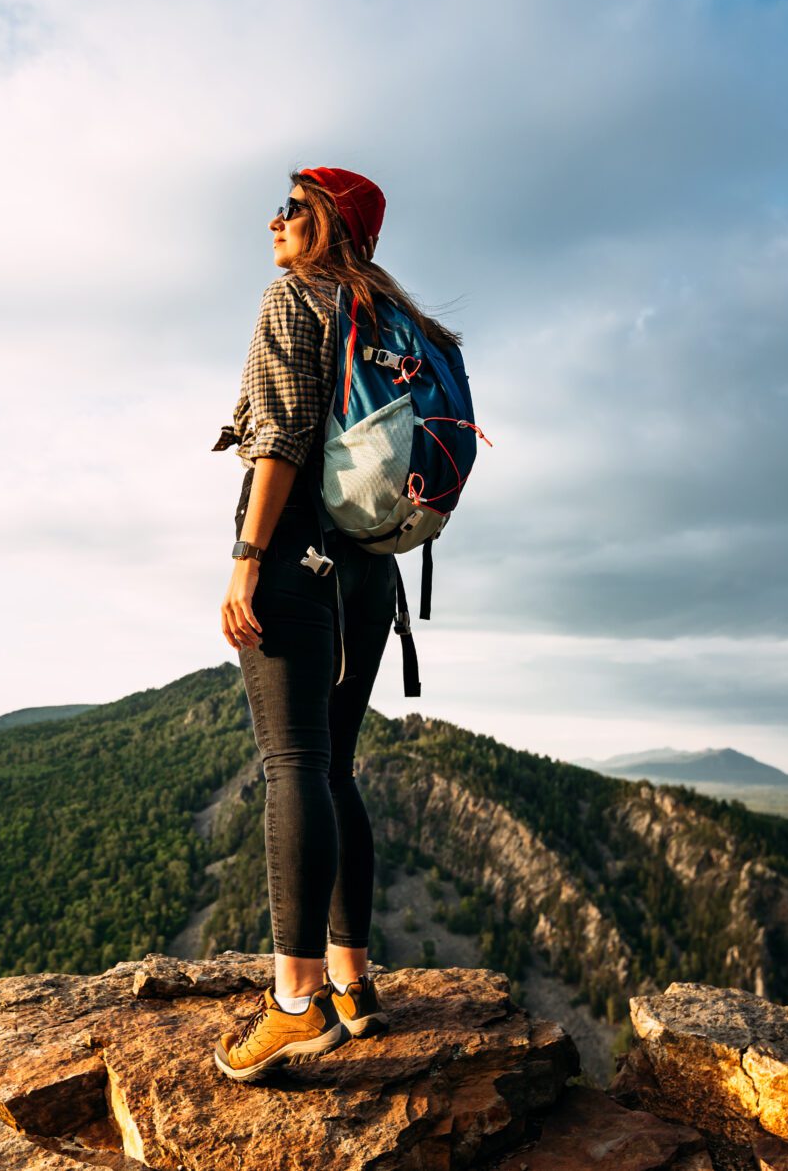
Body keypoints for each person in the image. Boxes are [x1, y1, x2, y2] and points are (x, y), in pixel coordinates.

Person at [210, 166, 465, 1081]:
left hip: (296, 556)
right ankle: (354, 986)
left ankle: (294, 1002)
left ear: (326, 226)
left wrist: (247, 557)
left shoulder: (297, 299)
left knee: (292, 766)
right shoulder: (411, 327)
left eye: (290, 209)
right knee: (336, 769)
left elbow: (278, 435)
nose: (272, 220)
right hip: (371, 575)